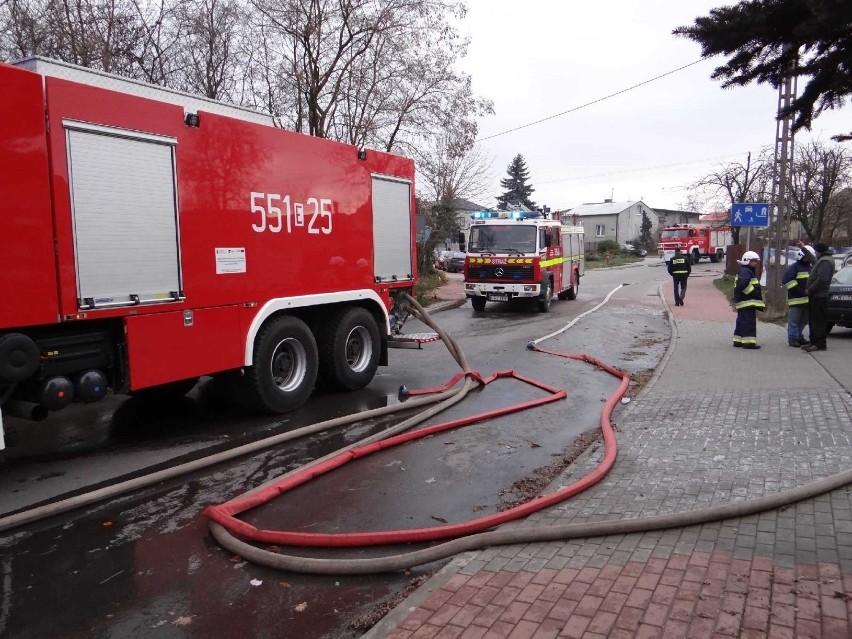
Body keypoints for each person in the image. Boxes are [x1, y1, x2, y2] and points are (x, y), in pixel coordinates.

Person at [802, 242, 835, 352]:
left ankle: (820, 344)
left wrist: (810, 289)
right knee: (813, 320)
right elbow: (813, 261)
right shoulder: (822, 259)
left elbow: (822, 279)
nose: (815, 253)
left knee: (818, 321)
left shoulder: (825, 261)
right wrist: (803, 249)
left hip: (819, 296)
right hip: (816, 296)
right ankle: (813, 342)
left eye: (815, 251)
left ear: (819, 251)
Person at [781, 244, 814, 347]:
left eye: (808, 257)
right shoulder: (794, 267)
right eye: (806, 256)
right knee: (794, 321)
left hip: (807, 300)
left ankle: (799, 336)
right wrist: (800, 291)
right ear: (801, 255)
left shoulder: (810, 267)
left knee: (803, 321)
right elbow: (787, 280)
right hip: (796, 300)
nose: (807, 258)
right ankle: (793, 339)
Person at [733, 250, 765, 349]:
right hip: (747, 302)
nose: (756, 263)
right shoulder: (746, 271)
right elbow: (743, 285)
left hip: (743, 302)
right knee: (748, 322)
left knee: (741, 321)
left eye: (756, 261)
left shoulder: (745, 271)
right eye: (753, 261)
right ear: (747, 261)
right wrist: (754, 293)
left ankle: (738, 341)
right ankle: (748, 343)